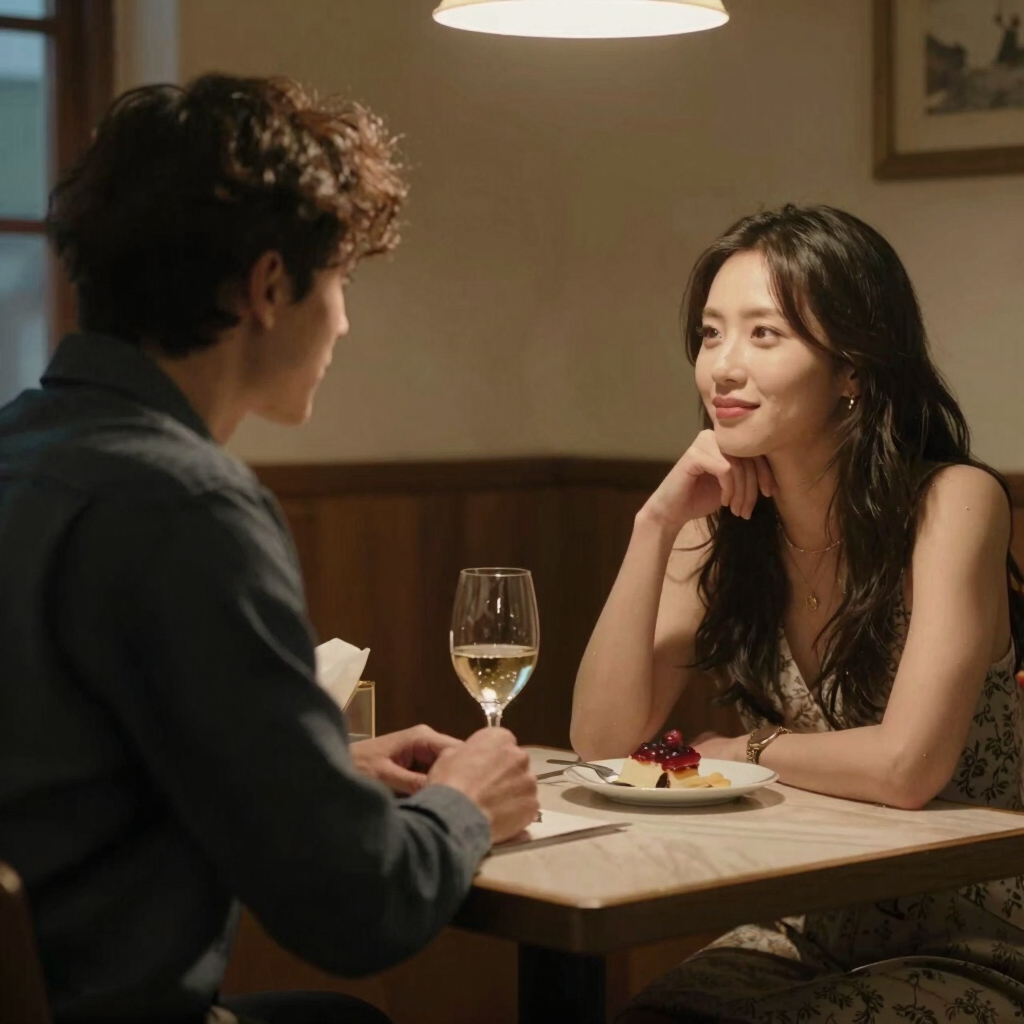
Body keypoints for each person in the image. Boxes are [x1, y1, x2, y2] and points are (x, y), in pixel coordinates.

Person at [0, 74, 539, 1024]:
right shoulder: (187, 506)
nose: (344, 320)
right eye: (340, 283)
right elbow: (359, 907)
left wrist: (320, 767)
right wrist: (464, 802)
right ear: (269, 286)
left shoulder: (22, 447)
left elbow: (68, 773)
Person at [571, 205, 1024, 1021]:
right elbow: (601, 740)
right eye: (711, 335)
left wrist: (747, 748)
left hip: (979, 937)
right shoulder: (719, 524)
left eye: (764, 335)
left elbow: (908, 767)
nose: (723, 368)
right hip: (810, 926)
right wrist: (655, 522)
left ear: (852, 369)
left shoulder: (953, 502)